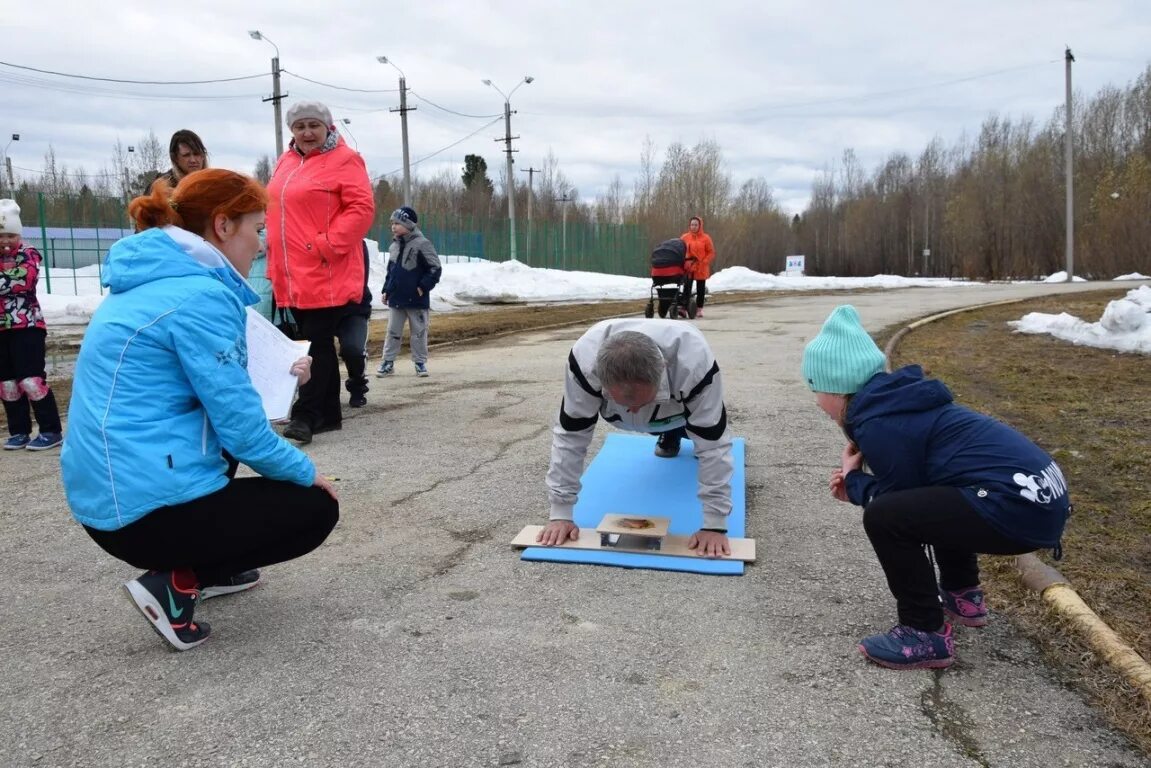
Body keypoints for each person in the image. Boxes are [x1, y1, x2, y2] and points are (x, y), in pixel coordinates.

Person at [60, 170, 340, 651]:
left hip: (107, 497)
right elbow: (242, 431)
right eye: (257, 229)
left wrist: (280, 375)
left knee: (233, 461)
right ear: (223, 225)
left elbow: (208, 387)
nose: (261, 245)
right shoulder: (201, 297)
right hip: (140, 518)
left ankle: (212, 566)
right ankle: (177, 582)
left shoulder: (152, 282)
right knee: (316, 508)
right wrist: (307, 472)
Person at [802, 305, 1072, 670]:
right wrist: (861, 482)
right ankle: (964, 595)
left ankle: (923, 631)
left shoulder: (878, 424)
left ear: (836, 387)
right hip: (1040, 500)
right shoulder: (899, 405)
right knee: (941, 494)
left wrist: (856, 484)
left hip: (1016, 508)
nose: (816, 401)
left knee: (885, 518)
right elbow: (923, 495)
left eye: (814, 389)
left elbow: (898, 503)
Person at [537, 319, 734, 558]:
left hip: (675, 413)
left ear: (663, 367)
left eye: (643, 402)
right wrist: (560, 513)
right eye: (625, 402)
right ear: (599, 375)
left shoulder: (693, 364)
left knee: (701, 434)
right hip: (624, 413)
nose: (634, 409)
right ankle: (657, 421)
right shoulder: (584, 362)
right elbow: (571, 436)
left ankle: (673, 432)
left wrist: (714, 524)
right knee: (592, 420)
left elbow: (713, 444)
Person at [267, 101, 375, 444]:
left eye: (314, 125)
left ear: (328, 127)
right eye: (300, 127)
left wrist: (326, 244)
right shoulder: (285, 161)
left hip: (326, 267)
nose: (306, 132)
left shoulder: (345, 159)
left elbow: (361, 208)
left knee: (315, 341)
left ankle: (307, 415)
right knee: (316, 341)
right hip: (292, 270)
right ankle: (326, 415)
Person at [0, 199, 63, 451]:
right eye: (1, 235)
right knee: (7, 384)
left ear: (20, 234)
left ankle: (51, 430)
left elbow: (24, 280)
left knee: (31, 380)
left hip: (27, 327)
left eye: (11, 235)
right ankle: (19, 431)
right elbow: (11, 282)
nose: (6, 241)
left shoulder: (29, 252)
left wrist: (9, 279)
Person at [376, 206, 442, 378]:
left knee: (419, 332)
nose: (393, 226)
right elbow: (392, 272)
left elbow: (435, 268)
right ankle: (388, 362)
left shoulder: (423, 244)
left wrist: (422, 287)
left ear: (409, 224)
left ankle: (420, 363)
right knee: (392, 332)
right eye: (392, 223)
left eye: (397, 223)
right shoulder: (394, 246)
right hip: (397, 298)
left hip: (417, 300)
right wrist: (386, 290)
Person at [336, 240, 372, 407]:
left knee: (353, 349)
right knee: (317, 352)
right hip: (319, 306)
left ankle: (357, 385)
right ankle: (323, 392)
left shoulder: (357, 243)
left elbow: (359, 278)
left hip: (353, 306)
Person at [680, 216, 715, 317]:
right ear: (689, 226)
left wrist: (704, 261)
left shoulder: (706, 238)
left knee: (701, 289)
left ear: (700, 225)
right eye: (692, 225)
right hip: (689, 265)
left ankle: (699, 309)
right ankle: (683, 308)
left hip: (701, 266)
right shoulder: (684, 237)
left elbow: (711, 252)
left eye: (696, 225)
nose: (693, 227)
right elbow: (679, 249)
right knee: (687, 286)